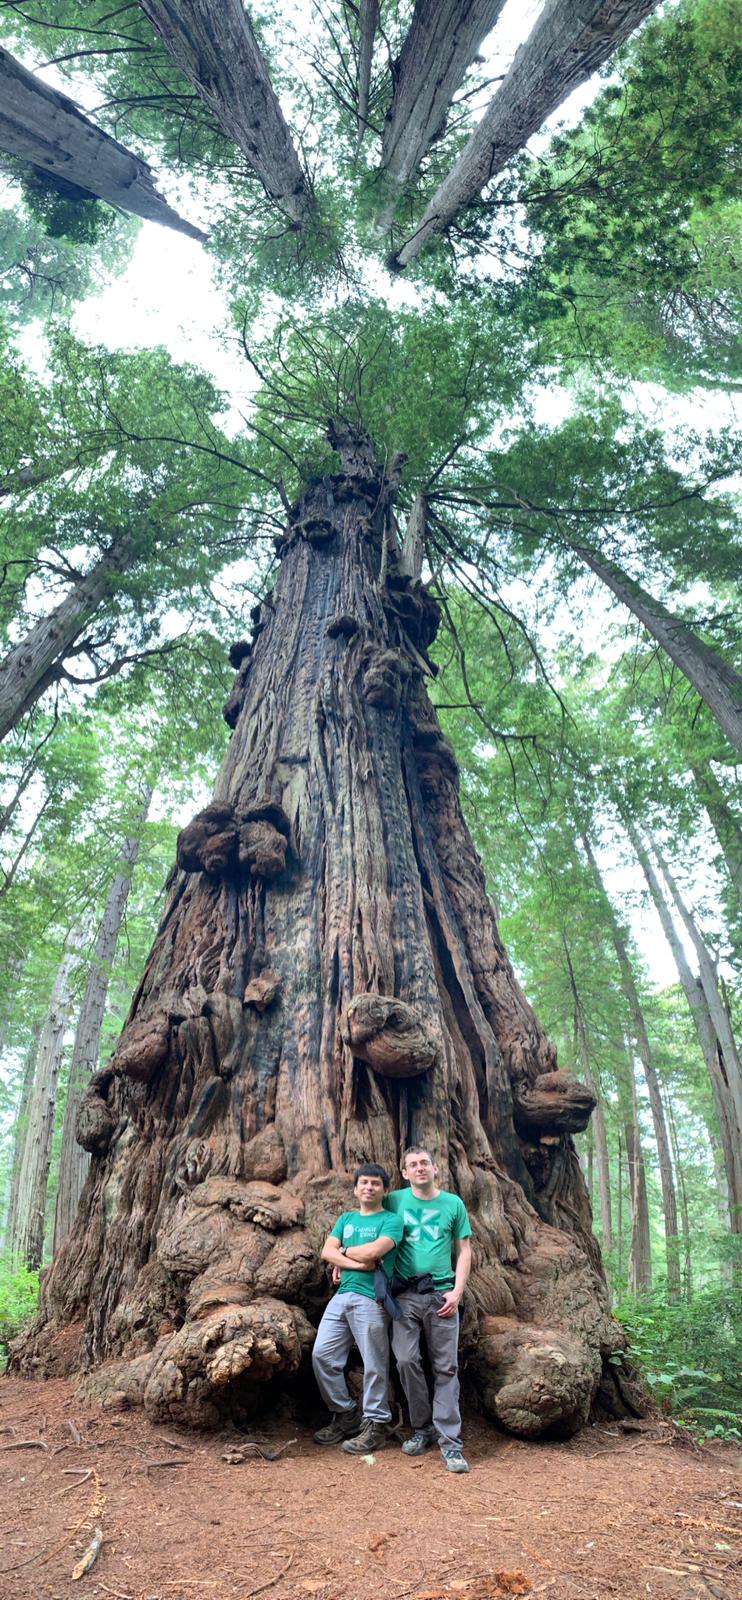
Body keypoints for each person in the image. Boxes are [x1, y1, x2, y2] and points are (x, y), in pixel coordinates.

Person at [385, 1145, 472, 1474]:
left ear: (435, 1169)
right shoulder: (394, 1200)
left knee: (446, 1368)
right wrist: (346, 1256)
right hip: (404, 1296)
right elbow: (369, 1223)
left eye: (425, 1163)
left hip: (442, 1296)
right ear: (405, 1173)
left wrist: (457, 1292)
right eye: (413, 1165)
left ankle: (450, 1442)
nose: (420, 1168)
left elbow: (464, 1250)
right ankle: (423, 1429)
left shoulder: (453, 1204)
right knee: (406, 1360)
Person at [312, 1162, 404, 1455]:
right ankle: (346, 1413)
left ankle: (376, 1424)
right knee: (322, 1355)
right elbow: (326, 1251)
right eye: (363, 1182)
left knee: (374, 1363)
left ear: (384, 1190)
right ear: (355, 1189)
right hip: (342, 1295)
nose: (369, 1187)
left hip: (372, 1299)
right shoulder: (346, 1218)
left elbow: (375, 1252)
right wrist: (353, 1261)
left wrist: (342, 1253)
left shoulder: (391, 1221)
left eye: (375, 1183)